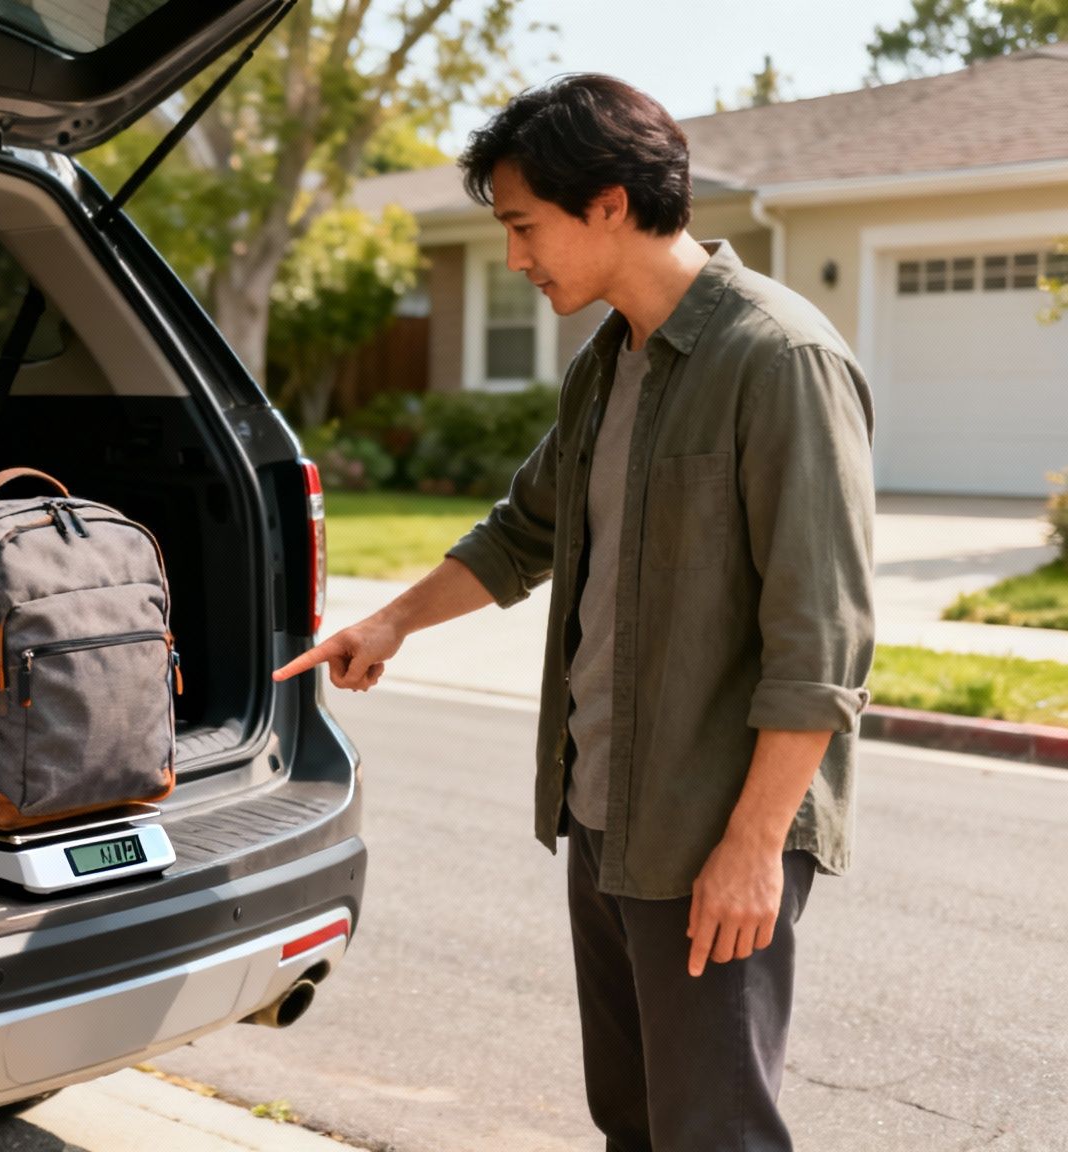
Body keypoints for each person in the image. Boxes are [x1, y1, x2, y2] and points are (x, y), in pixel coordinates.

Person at [274, 74, 875, 1151]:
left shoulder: (776, 360)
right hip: (606, 820)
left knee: (714, 1131)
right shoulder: (605, 366)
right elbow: (523, 532)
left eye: (520, 225)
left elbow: (819, 644)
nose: (511, 257)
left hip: (710, 837)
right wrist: (392, 622)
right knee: (632, 1122)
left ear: (606, 201)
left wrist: (750, 847)